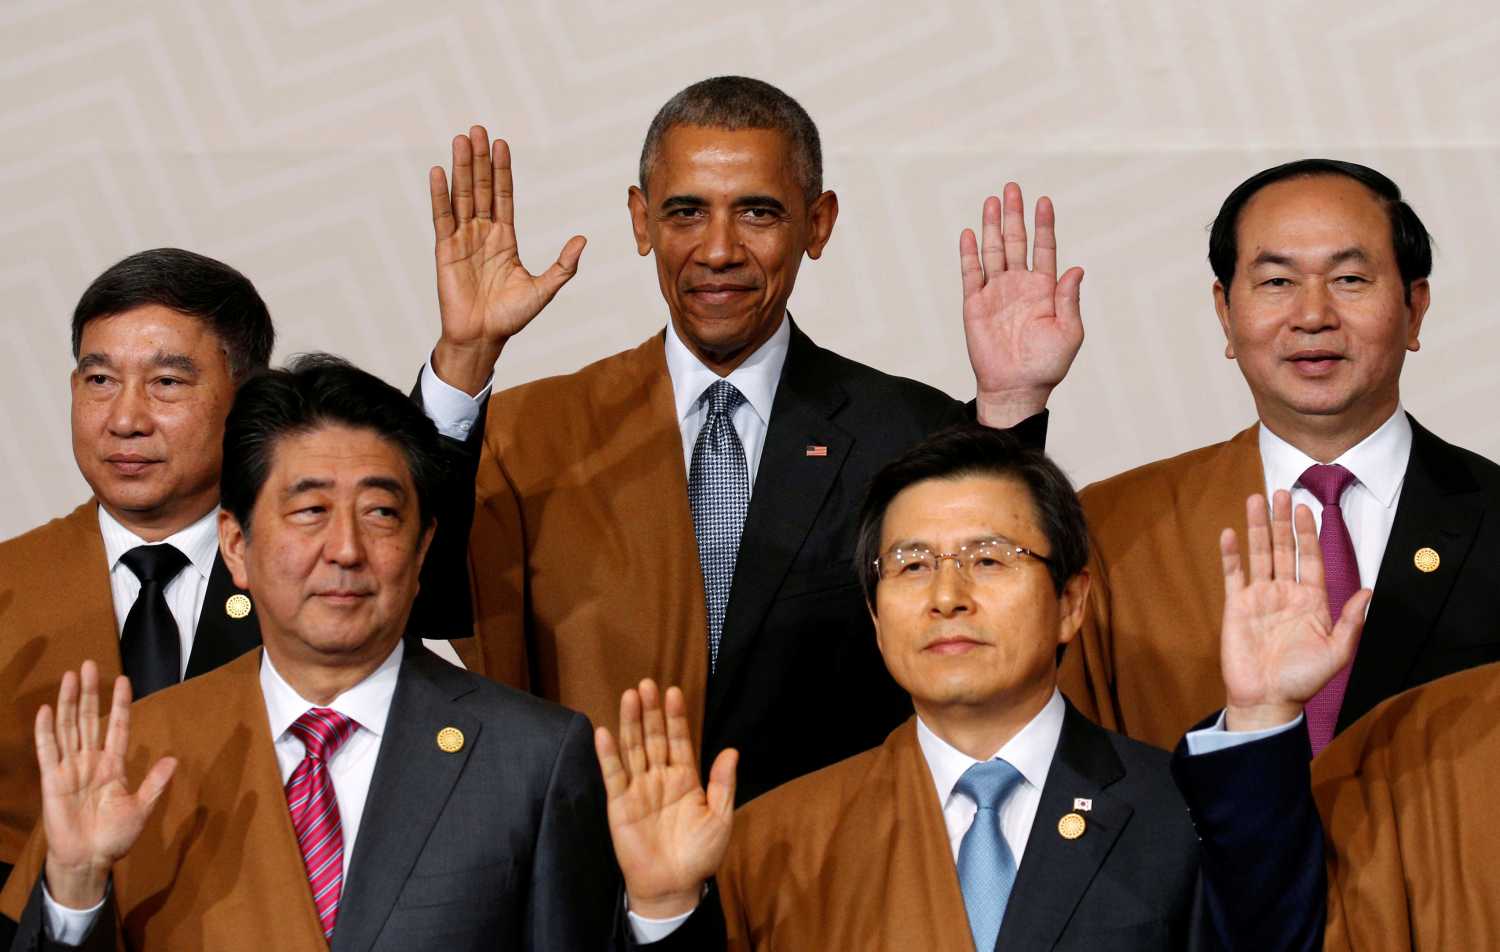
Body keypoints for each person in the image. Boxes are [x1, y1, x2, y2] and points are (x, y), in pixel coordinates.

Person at [416, 75, 1086, 802]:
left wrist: (1012, 406)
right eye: (686, 212)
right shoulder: (530, 435)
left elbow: (1001, 628)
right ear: (641, 221)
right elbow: (419, 596)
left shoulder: (908, 433)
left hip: (831, 853)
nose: (718, 250)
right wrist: (465, 357)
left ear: (818, 224)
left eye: (758, 213)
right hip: (592, 855)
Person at [598, 425, 1335, 951]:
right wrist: (665, 909)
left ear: (1071, 601)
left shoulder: (1179, 814)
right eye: (912, 565)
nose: (947, 597)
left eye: (988, 559)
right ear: (875, 617)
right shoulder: (777, 839)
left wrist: (1263, 713)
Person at [0, 356, 617, 950]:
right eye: (310, 510)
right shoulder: (139, 751)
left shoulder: (533, 756)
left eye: (380, 513)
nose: (345, 548)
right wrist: (74, 892)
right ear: (236, 545)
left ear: (423, 547)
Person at [1059, 159, 1500, 755]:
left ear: (1414, 307)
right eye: (1277, 282)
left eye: (1350, 279)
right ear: (1225, 312)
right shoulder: (1115, 527)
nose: (1313, 316)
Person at [0, 249, 271, 887]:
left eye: (166, 382)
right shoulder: (11, 585)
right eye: (100, 380)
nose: (125, 420)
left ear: (247, 400)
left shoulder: (310, 578)